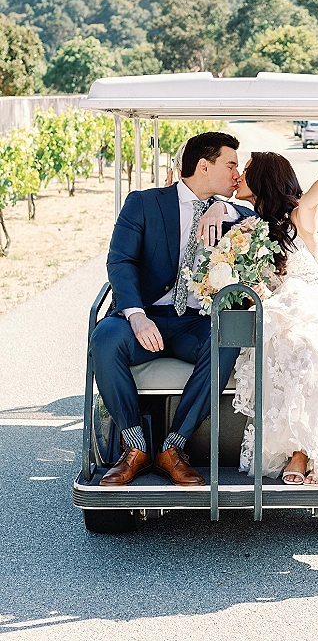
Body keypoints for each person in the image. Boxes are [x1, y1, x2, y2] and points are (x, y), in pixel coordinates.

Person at [90, 131, 256, 487]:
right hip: (146, 314)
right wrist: (136, 315)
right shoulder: (144, 203)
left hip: (194, 322)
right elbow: (120, 261)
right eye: (231, 165)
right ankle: (134, 447)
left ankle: (172, 448)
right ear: (203, 166)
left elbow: (258, 218)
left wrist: (221, 208)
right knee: (104, 337)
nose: (236, 175)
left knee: (226, 337)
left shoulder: (231, 213)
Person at [231, 152, 318, 487]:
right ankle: (299, 448)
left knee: (306, 344)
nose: (239, 175)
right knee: (283, 339)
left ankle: (303, 452)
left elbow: (311, 201)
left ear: (263, 178)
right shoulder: (247, 229)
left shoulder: (295, 219)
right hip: (279, 311)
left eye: (246, 170)